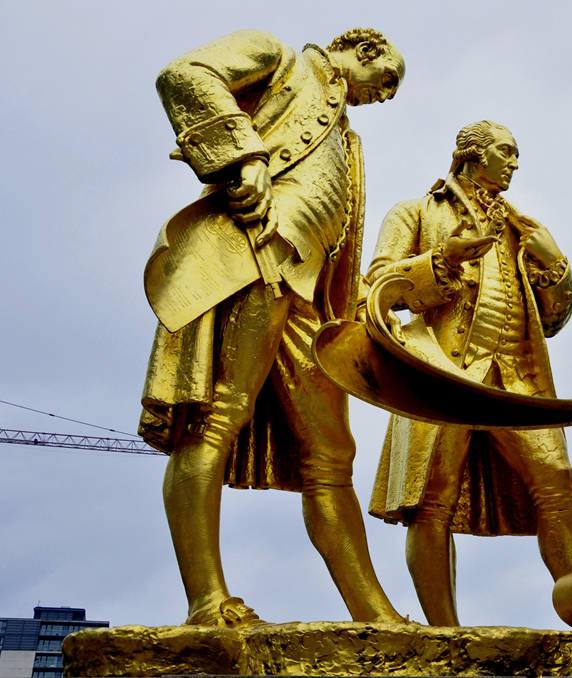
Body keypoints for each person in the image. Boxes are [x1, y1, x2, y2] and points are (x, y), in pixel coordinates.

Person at [138, 28, 407, 628]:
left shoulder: (349, 138)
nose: (384, 95)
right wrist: (243, 158)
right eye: (387, 80)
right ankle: (207, 602)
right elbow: (184, 75)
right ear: (364, 50)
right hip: (254, 256)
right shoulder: (281, 59)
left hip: (309, 295)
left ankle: (376, 617)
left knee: (333, 453)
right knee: (217, 417)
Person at [366, 121, 572, 626]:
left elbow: (552, 321)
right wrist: (440, 260)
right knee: (432, 500)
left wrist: (555, 265)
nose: (515, 162)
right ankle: (444, 632)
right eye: (506, 151)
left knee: (558, 483)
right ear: (474, 154)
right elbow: (377, 288)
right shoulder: (415, 212)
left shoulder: (520, 227)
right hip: (442, 371)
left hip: (516, 375)